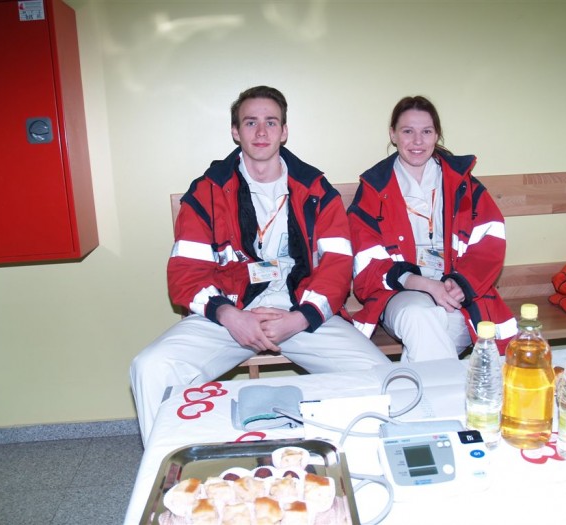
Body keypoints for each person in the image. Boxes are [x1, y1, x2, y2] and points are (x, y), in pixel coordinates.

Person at [130, 86, 390, 444]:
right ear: (235, 132)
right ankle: (170, 468)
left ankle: (357, 456)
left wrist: (300, 318)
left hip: (300, 312)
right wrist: (230, 316)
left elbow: (337, 266)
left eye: (271, 122)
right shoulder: (207, 191)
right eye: (251, 122)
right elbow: (185, 273)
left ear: (284, 131)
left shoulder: (316, 190)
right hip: (231, 313)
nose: (262, 132)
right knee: (151, 368)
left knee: (381, 379)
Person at [347, 95, 517, 363]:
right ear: (393, 135)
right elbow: (366, 264)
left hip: (456, 296)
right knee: (418, 316)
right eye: (407, 131)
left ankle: (415, 389)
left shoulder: (463, 184)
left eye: (426, 132)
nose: (417, 141)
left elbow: (489, 241)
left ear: (437, 135)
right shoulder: (374, 188)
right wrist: (423, 284)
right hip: (402, 294)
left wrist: (462, 284)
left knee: (427, 336)